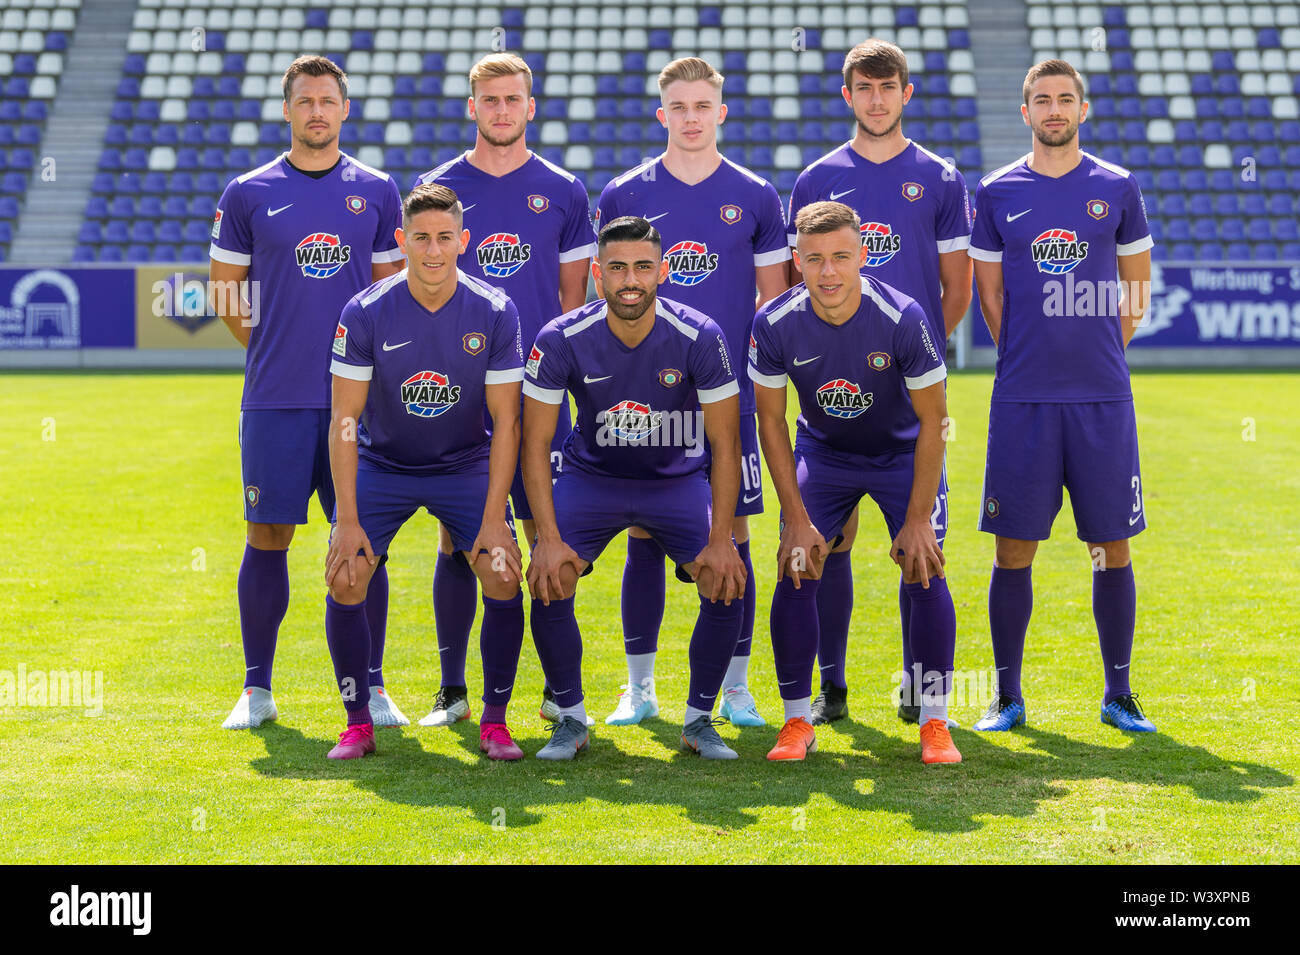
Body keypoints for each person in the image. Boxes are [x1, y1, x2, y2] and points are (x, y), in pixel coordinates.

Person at [209, 55, 405, 730]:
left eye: (328, 100)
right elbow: (228, 296)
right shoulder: (247, 192)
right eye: (305, 101)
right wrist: (278, 351)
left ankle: (373, 688)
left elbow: (392, 297)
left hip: (361, 402)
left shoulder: (378, 190)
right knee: (269, 532)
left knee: (363, 540)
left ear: (344, 109)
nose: (317, 111)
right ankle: (257, 689)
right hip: (276, 398)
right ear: (287, 109)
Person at [593, 57, 789, 727]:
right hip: (647, 402)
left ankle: (735, 688)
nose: (691, 117)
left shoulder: (757, 196)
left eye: (703, 105)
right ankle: (640, 688)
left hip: (726, 401)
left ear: (721, 112)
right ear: (662, 114)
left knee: (731, 536)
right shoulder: (623, 194)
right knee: (643, 533)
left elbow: (773, 307)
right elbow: (611, 295)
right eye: (679, 107)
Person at [786, 39, 972, 726]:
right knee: (826, 539)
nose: (876, 98)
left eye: (887, 86)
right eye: (863, 88)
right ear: (848, 97)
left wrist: (906, 352)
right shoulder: (814, 180)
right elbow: (793, 279)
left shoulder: (942, 179)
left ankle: (922, 692)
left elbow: (956, 289)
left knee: (917, 545)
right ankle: (830, 685)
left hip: (906, 399)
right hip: (830, 396)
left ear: (905, 93)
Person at [968, 59, 1155, 733]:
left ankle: (1119, 694)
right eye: (1042, 100)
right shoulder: (994, 192)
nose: (1054, 109)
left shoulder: (1117, 186)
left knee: (1112, 544)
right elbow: (990, 297)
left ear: (1083, 109)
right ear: (1025, 112)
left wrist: (1099, 349)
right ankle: (1008, 697)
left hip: (1102, 397)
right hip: (1023, 398)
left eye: (1065, 99)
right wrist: (1027, 352)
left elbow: (1136, 287)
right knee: (1013, 548)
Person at [412, 53, 597, 728]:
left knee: (549, 532)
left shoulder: (564, 191)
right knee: (458, 537)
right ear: (472, 107)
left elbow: (571, 301)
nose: (500, 110)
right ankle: (454, 689)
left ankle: (557, 690)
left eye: (512, 99)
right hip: (461, 396)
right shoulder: (439, 187)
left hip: (540, 395)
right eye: (488, 99)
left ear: (530, 106)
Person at [520, 215, 748, 761]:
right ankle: (570, 719)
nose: (630, 280)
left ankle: (699, 719)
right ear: (597, 274)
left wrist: (722, 537)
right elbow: (534, 444)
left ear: (663, 272)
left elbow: (725, 443)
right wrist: (546, 538)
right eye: (617, 268)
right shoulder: (561, 337)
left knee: (724, 575)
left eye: (643, 267)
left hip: (674, 481)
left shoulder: (700, 334)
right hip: (592, 479)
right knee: (550, 575)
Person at [751, 201, 961, 764]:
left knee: (924, 562)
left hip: (902, 452)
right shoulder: (773, 323)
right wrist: (795, 518)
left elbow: (934, 422)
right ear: (796, 260)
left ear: (862, 256)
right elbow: (770, 422)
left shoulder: (904, 317)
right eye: (814, 259)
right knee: (797, 563)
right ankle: (797, 719)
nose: (828, 272)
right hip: (827, 451)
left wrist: (918, 521)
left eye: (841, 257)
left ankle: (935, 722)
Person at [322, 183, 527, 760]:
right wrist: (347, 519)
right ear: (401, 241)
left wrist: (493, 519)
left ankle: (493, 720)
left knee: (503, 572)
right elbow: (344, 420)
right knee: (345, 575)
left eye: (444, 238)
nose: (433, 250)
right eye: (420, 239)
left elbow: (506, 424)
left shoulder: (493, 310)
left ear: (464, 241)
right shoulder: (364, 311)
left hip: (464, 465)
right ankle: (358, 721)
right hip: (382, 463)